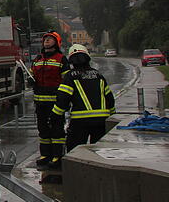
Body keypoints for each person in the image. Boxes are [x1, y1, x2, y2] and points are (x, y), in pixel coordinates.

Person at [52, 44, 115, 157]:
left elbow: (63, 98)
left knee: (76, 153)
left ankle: (78, 173)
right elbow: (109, 98)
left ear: (71, 61)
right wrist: (112, 115)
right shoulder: (98, 75)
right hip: (101, 121)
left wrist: (55, 115)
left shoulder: (70, 76)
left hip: (80, 122)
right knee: (100, 153)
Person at [29, 31, 70, 169]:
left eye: (50, 39)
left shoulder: (61, 59)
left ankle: (57, 156)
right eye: (45, 38)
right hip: (40, 102)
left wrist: (63, 101)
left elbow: (67, 81)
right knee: (43, 130)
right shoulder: (38, 58)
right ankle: (45, 155)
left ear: (56, 43)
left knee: (57, 130)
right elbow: (31, 73)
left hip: (55, 102)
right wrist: (30, 79)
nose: (46, 40)